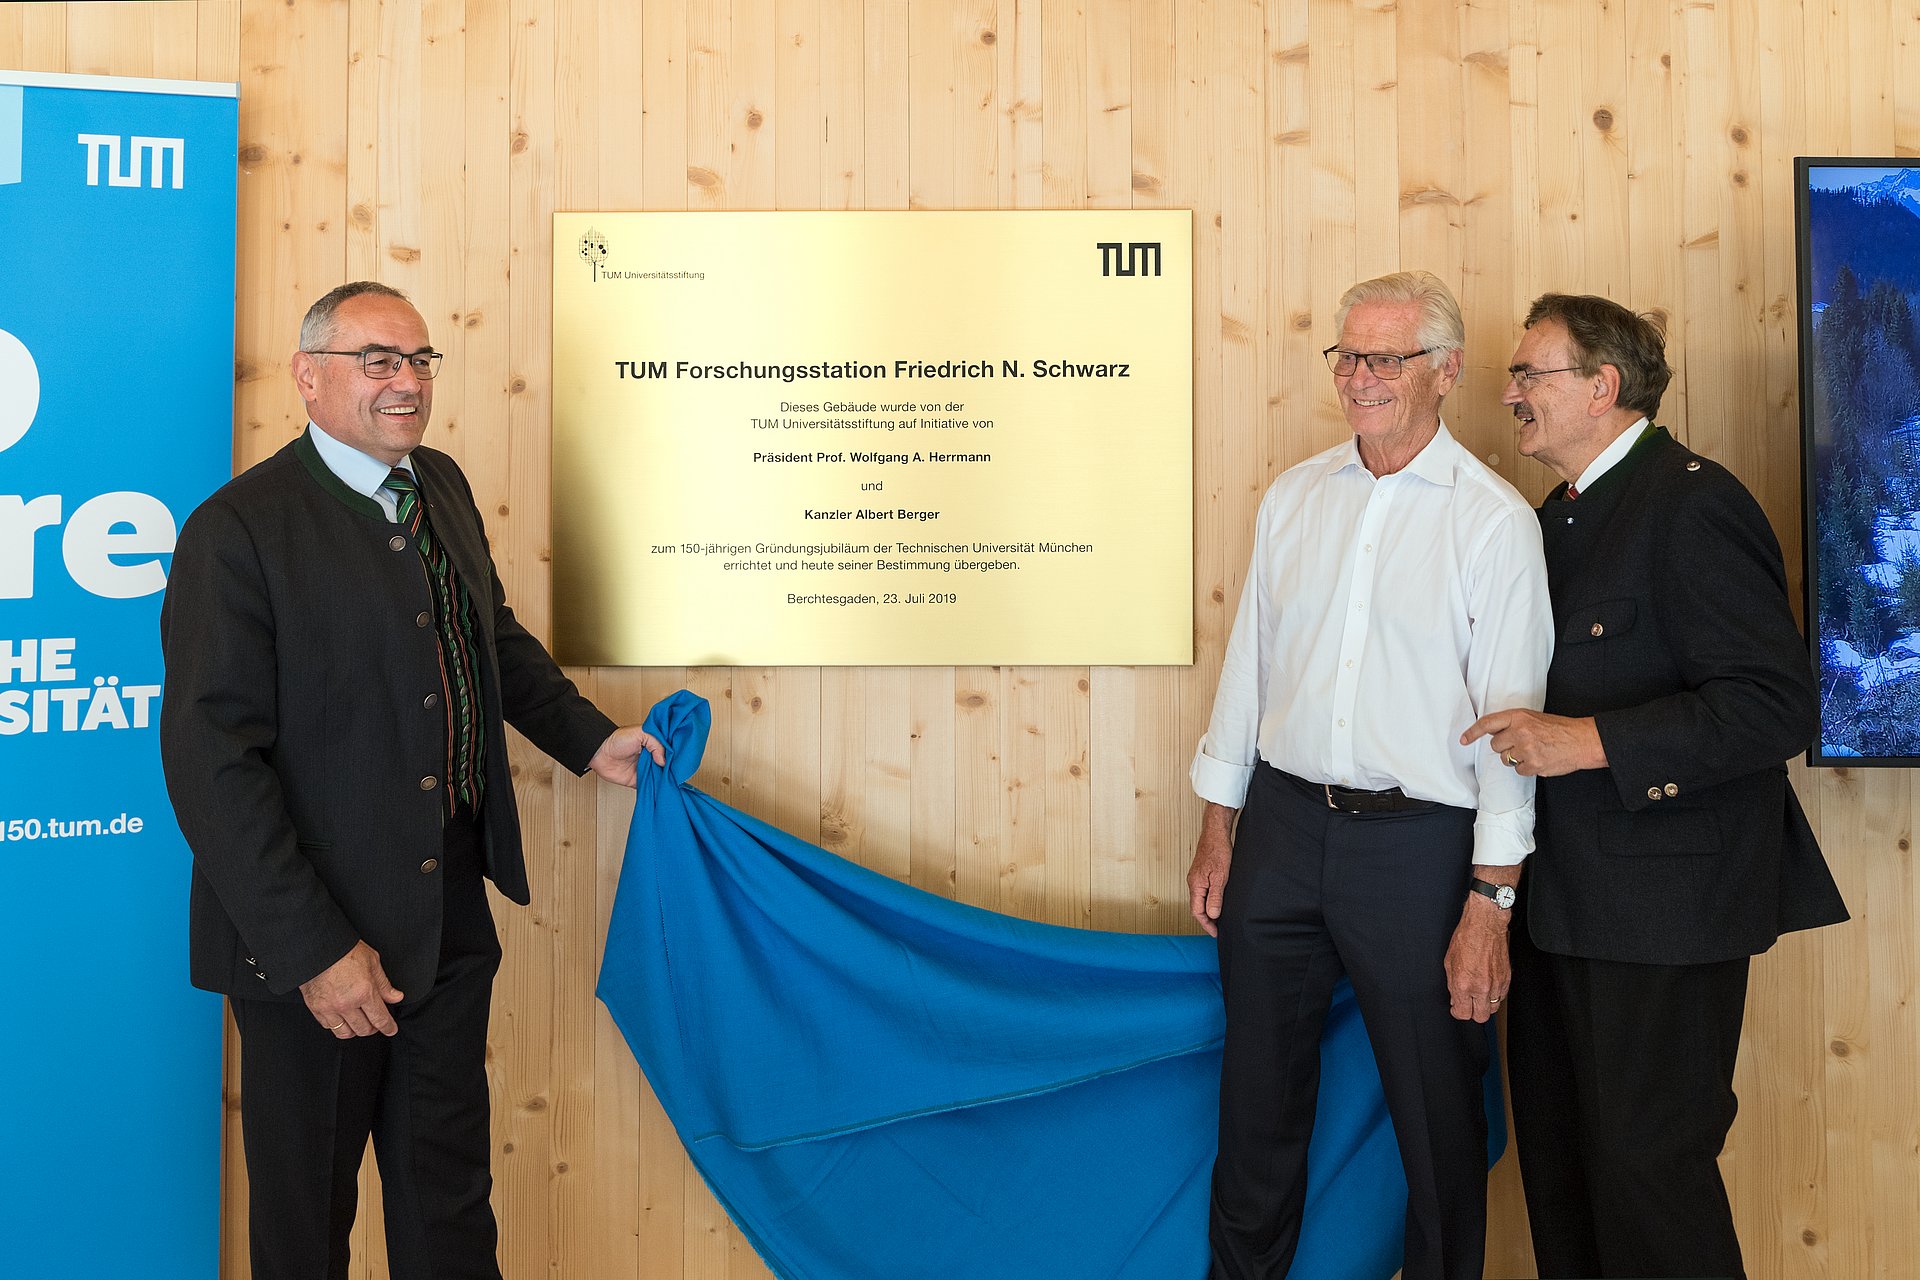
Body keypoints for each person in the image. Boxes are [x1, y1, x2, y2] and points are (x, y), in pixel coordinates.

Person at [159, 281, 664, 1280]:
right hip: (310, 954)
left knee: (449, 1209)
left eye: (420, 359)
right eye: (378, 359)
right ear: (309, 379)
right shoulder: (238, 530)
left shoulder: (440, 484)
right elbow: (211, 764)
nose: (407, 381)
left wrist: (589, 739)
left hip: (446, 925)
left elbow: (493, 639)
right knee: (307, 1226)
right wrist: (315, 949)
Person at [1464, 292, 1849, 1278]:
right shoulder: (1560, 517)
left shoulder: (1691, 502)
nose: (1509, 393)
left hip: (1669, 914)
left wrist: (1585, 740)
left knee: (1648, 1176)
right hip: (1565, 911)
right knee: (1563, 1171)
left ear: (1602, 386)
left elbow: (1776, 706)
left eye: (1529, 373)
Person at [1187, 270, 1552, 1280]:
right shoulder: (1294, 496)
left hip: (1421, 851)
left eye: (1384, 357)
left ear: (1445, 370)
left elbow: (1510, 737)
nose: (1358, 376)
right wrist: (1221, 823)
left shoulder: (1493, 524)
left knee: (1437, 1121)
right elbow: (1248, 667)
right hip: (1284, 831)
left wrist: (1491, 902)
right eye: (1347, 355)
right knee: (1254, 1104)